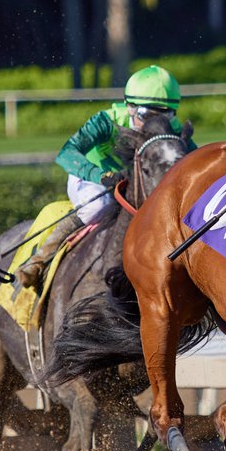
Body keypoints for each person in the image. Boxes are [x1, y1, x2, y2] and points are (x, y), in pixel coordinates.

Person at [17, 64, 193, 288]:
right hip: (92, 179)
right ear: (129, 107)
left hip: (137, 185)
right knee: (100, 205)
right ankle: (40, 258)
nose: (155, 124)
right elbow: (67, 152)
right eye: (146, 115)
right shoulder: (106, 121)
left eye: (165, 115)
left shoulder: (173, 130)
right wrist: (99, 175)